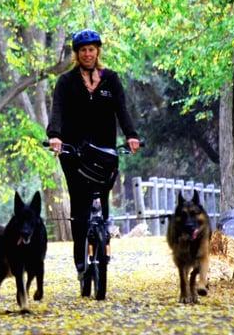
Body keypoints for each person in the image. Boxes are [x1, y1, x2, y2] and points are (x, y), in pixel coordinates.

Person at [46, 29, 140, 280]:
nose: (88, 54)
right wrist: (54, 135)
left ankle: (103, 243)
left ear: (97, 51)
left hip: (105, 150)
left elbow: (122, 110)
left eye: (92, 49)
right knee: (79, 204)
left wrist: (131, 135)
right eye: (83, 50)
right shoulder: (66, 82)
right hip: (73, 151)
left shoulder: (111, 79)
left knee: (103, 199)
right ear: (77, 54)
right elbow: (57, 111)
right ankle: (80, 259)